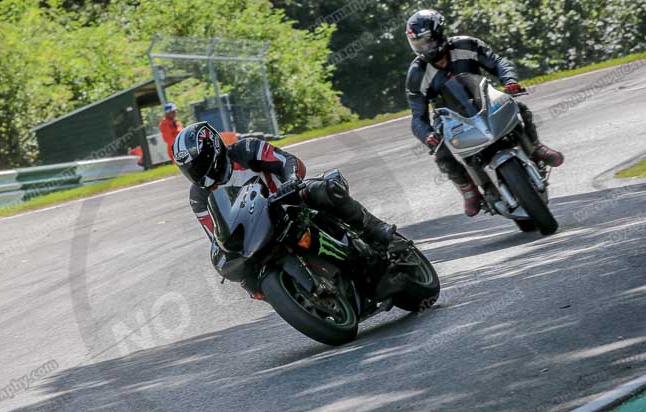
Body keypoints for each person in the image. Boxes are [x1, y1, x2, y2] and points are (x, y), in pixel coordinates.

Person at [173, 122, 396, 290]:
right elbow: (216, 235)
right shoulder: (198, 196)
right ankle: (297, 294)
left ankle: (374, 227)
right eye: (189, 169)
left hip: (289, 201)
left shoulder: (246, 149)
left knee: (324, 189)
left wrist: (290, 180)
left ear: (214, 149)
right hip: (256, 232)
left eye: (199, 164)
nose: (196, 172)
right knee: (246, 279)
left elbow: (288, 161)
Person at [404, 9, 564, 216]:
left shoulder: (466, 44)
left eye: (427, 41)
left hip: (485, 98)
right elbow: (418, 118)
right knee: (440, 152)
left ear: (440, 34)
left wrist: (510, 82)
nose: (424, 48)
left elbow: (498, 63)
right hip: (451, 117)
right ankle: (468, 189)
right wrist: (428, 135)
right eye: (418, 44)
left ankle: (535, 147)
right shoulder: (416, 74)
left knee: (519, 107)